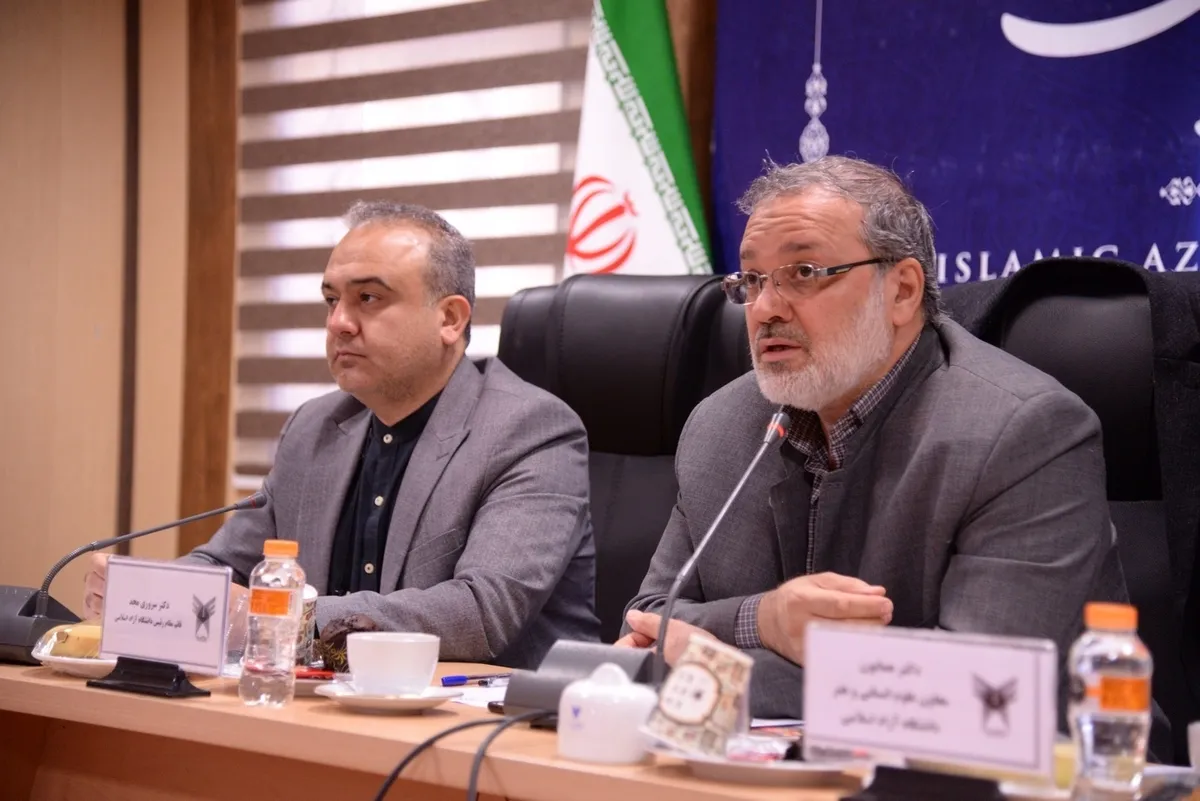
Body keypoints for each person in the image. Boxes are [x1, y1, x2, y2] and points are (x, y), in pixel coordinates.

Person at [617, 155, 1128, 723]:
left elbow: (981, 694)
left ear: (902, 291)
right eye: (752, 280)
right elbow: (644, 624)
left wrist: (703, 663)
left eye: (803, 272)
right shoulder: (722, 425)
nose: (764, 308)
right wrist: (764, 620)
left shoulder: (1022, 431)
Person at [85, 201, 600, 668]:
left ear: (449, 318)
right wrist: (151, 601)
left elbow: (481, 612)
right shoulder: (314, 428)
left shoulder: (529, 431)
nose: (338, 323)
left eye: (368, 298)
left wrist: (280, 619)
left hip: (487, 722)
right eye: (331, 300)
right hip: (325, 710)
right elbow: (229, 566)